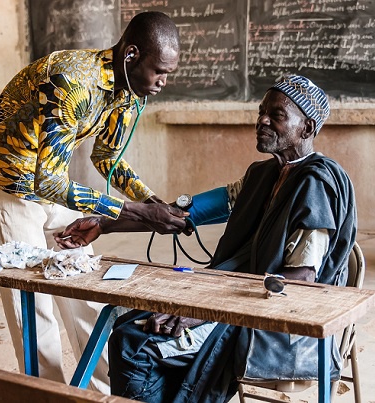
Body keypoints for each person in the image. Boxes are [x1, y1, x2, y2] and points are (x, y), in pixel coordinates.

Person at [55, 75, 357, 402]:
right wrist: (106, 223)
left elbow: (299, 280)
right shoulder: (261, 175)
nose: (262, 121)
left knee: (133, 343)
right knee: (131, 323)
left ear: (307, 128)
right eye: (261, 112)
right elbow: (183, 213)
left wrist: (206, 310)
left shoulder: (316, 185)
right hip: (232, 297)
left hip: (270, 322)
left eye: (277, 115)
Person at [0, 11, 187, 393]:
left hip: (49, 184)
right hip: (10, 184)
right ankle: (48, 395)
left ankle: (109, 391)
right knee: (33, 306)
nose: (163, 82)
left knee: (85, 290)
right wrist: (133, 211)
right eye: (160, 71)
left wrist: (154, 202)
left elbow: (107, 159)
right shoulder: (74, 80)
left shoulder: (131, 91)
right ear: (131, 55)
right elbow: (46, 179)